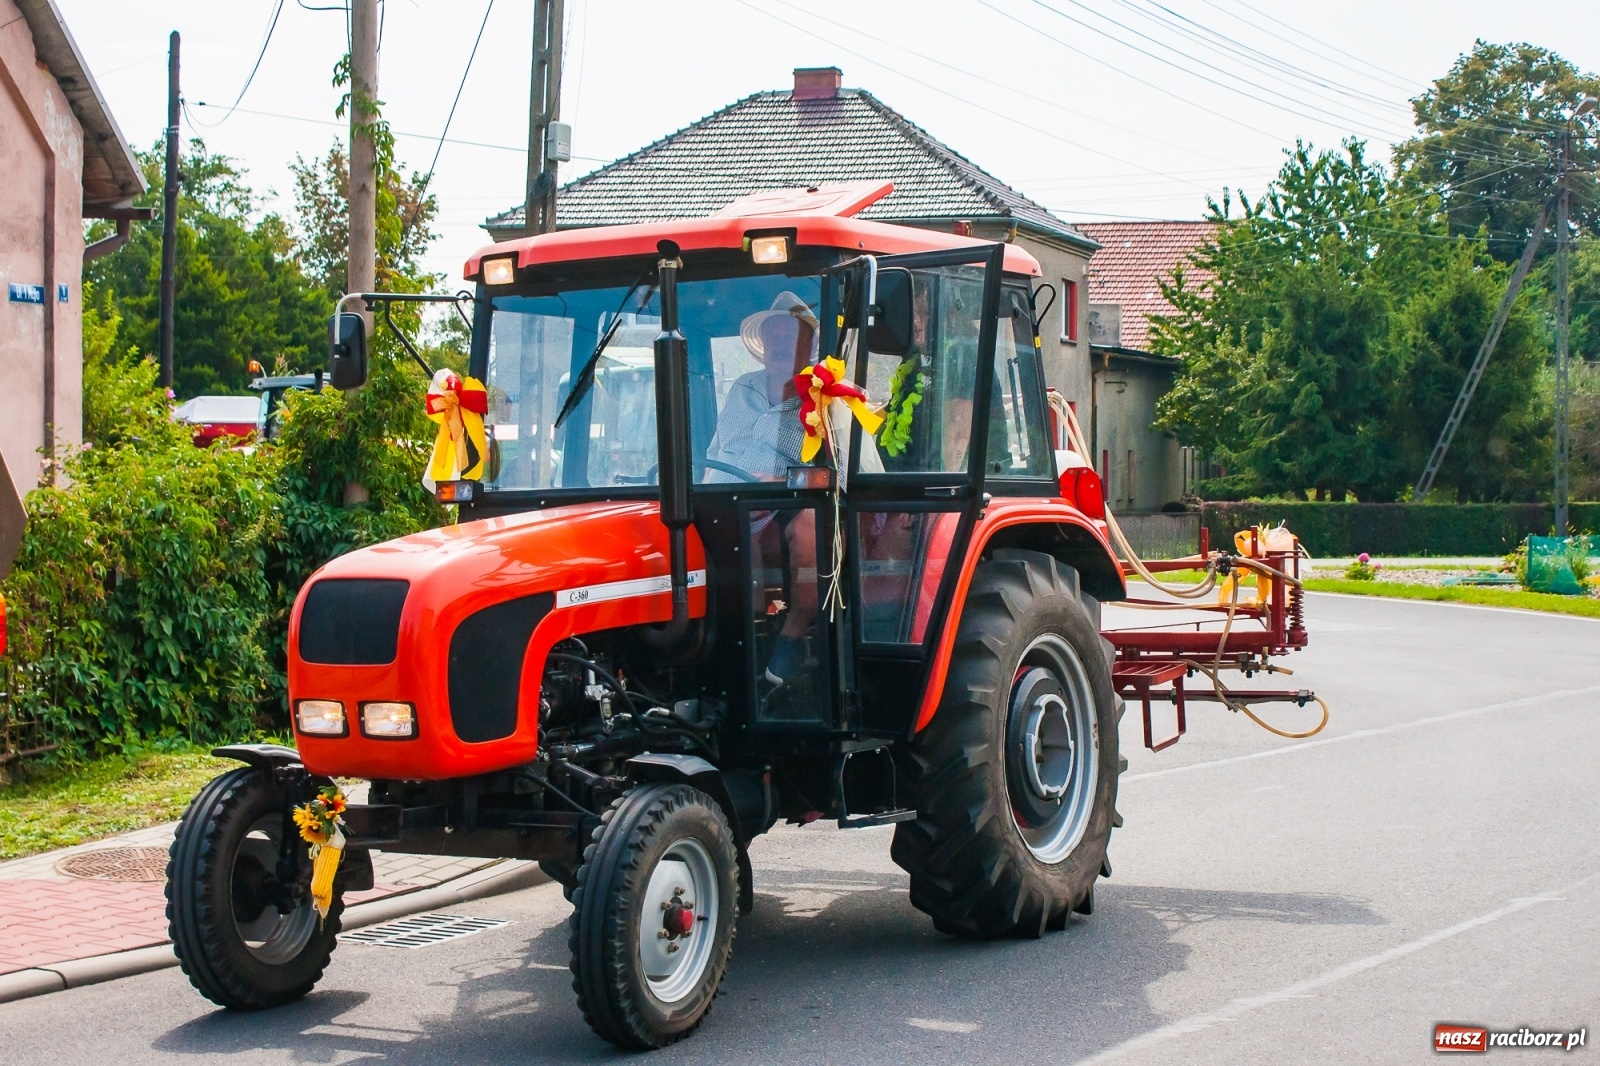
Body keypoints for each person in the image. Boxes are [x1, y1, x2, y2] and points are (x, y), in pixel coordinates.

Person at [706, 292, 820, 688]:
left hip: (794, 497)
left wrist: (780, 481)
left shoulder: (825, 392)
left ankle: (790, 634)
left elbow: (839, 462)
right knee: (706, 526)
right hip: (734, 493)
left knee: (810, 525)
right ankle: (741, 637)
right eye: (773, 338)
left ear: (809, 346)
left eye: (789, 337)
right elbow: (717, 451)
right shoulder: (743, 388)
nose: (779, 346)